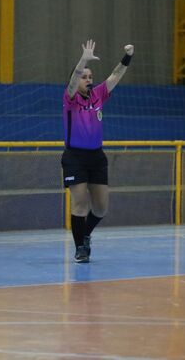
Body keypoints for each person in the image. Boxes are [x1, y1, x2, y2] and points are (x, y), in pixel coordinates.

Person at [62, 39, 134, 263]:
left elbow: (115, 76)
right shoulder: (70, 98)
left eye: (90, 77)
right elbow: (73, 80)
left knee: (101, 208)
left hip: (96, 156)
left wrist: (127, 56)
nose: (88, 80)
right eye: (85, 77)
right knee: (80, 203)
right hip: (75, 156)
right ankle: (80, 248)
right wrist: (83, 59)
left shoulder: (98, 95)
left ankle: (85, 234)